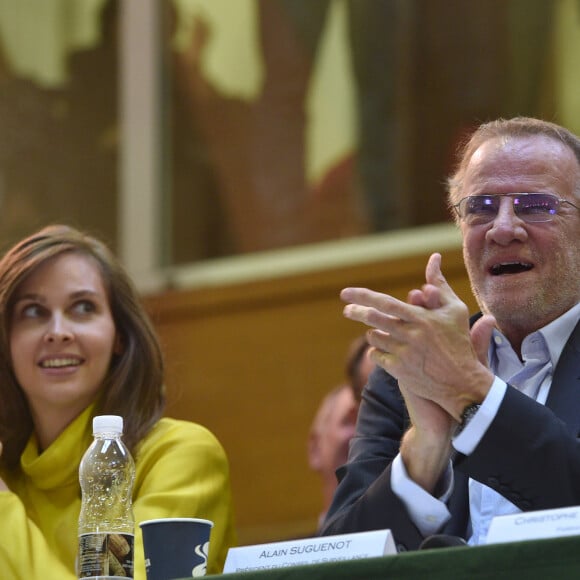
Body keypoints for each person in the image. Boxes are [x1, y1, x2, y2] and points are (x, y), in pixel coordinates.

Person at [320, 117, 580, 550]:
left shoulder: (449, 373)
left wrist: (474, 395)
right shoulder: (409, 371)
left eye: (536, 205)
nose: (502, 228)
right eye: (480, 207)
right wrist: (425, 449)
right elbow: (339, 557)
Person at [0, 225, 237, 578]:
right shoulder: (9, 476)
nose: (58, 331)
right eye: (33, 312)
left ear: (120, 338)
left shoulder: (179, 455)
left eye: (83, 307)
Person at [307, 336, 372, 529]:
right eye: (349, 420)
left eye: (369, 418)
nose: (366, 431)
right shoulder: (285, 558)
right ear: (314, 449)